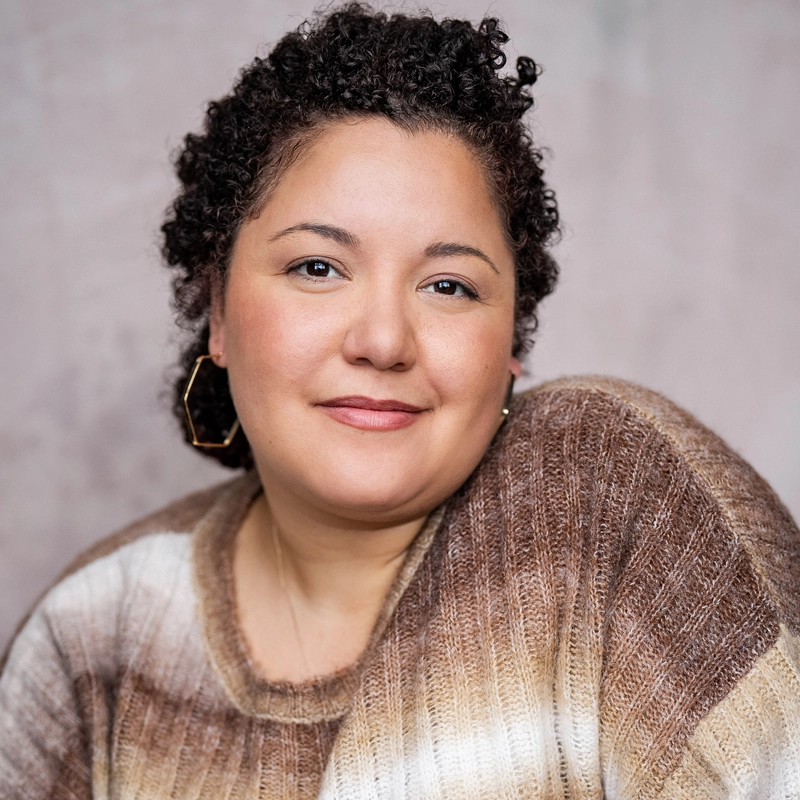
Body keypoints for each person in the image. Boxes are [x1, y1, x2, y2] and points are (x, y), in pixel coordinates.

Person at [1, 4, 799, 798]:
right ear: (217, 311)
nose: (383, 340)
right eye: (317, 268)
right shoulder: (94, 638)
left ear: (510, 343)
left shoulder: (612, 505)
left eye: (448, 285)